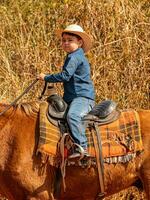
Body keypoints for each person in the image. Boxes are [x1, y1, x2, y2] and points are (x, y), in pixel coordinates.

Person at [38, 24, 95, 159]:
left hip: (82, 97)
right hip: (72, 98)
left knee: (73, 116)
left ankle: (82, 147)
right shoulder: (73, 56)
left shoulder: (75, 57)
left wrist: (46, 77)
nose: (65, 43)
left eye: (70, 40)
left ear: (80, 42)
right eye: (63, 40)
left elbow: (65, 76)